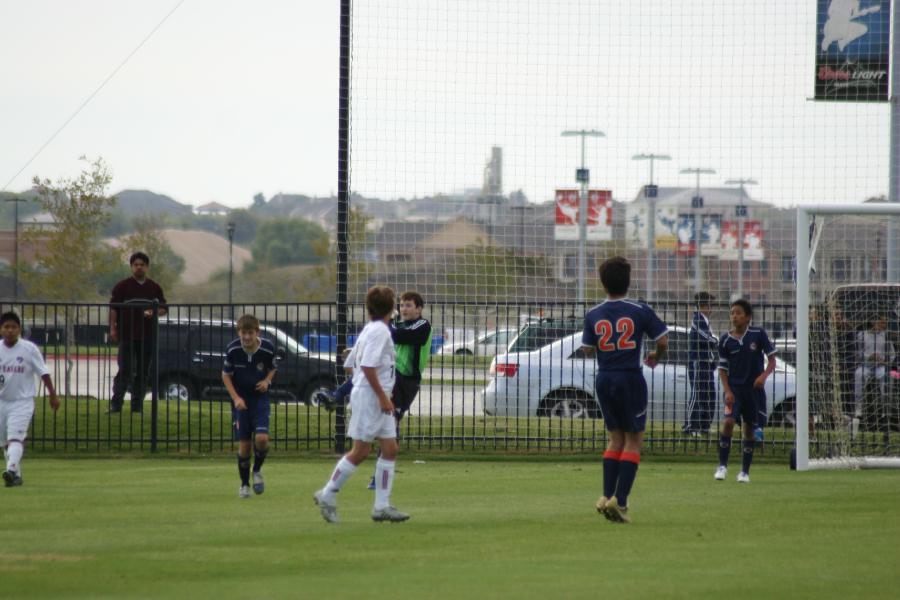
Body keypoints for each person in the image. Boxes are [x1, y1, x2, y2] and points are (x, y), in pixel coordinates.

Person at [581, 257, 668, 524]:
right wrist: (656, 355)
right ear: (628, 282)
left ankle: (606, 496)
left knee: (615, 439)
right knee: (633, 441)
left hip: (604, 378)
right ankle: (621, 501)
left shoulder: (593, 314)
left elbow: (586, 349)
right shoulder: (640, 310)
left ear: (603, 282)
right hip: (630, 378)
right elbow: (662, 339)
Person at [313, 285, 410, 524]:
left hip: (374, 395)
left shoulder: (370, 329)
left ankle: (381, 506)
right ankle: (327, 493)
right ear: (391, 307)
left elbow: (350, 364)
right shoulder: (380, 332)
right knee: (361, 451)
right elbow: (366, 366)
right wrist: (382, 396)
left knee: (390, 449)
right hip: (371, 398)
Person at [714, 299, 777, 484]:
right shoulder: (725, 339)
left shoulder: (758, 334)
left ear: (748, 317)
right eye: (732, 312)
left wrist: (763, 376)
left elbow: (772, 360)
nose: (735, 316)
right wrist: (727, 391)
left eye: (739, 313)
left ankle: (744, 472)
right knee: (728, 422)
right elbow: (722, 369)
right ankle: (722, 466)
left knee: (749, 429)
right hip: (734, 390)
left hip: (753, 391)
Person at [1, 312, 59, 487]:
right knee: (5, 442)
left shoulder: (29, 349)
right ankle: (16, 477)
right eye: (6, 327)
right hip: (2, 401)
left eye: (14, 327)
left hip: (22, 401)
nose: (10, 330)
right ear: (1, 329)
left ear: (19, 330)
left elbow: (43, 372)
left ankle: (10, 470)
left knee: (15, 439)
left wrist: (53, 395)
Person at [222, 315, 276, 499]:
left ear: (257, 332)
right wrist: (236, 398)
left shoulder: (268, 349)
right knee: (244, 446)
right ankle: (244, 485)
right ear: (239, 333)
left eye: (250, 333)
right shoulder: (233, 349)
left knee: (261, 438)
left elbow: (273, 367)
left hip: (260, 400)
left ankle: (257, 470)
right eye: (243, 333)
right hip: (242, 402)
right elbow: (226, 375)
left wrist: (267, 381)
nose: (246, 337)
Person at [109, 252, 167, 413]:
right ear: (131, 266)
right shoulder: (122, 286)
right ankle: (116, 404)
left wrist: (153, 312)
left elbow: (163, 308)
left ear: (147, 267)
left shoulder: (154, 287)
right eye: (136, 264)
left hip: (147, 336)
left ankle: (137, 405)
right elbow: (114, 308)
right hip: (126, 335)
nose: (139, 267)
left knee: (143, 372)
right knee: (125, 370)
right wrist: (112, 328)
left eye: (142, 264)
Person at [683, 292, 717, 436]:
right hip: (698, 361)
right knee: (698, 393)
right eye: (710, 305)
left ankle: (704, 425)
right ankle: (691, 425)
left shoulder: (705, 321)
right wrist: (715, 341)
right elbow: (705, 337)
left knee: (708, 394)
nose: (712, 308)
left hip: (706, 362)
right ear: (703, 305)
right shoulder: (697, 319)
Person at [853, 314, 895, 425]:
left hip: (881, 366)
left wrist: (885, 360)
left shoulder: (886, 336)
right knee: (859, 374)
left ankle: (886, 411)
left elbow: (892, 355)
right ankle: (859, 409)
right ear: (873, 322)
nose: (884, 325)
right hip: (866, 366)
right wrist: (868, 356)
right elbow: (857, 354)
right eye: (882, 322)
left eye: (885, 322)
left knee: (886, 375)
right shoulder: (862, 335)